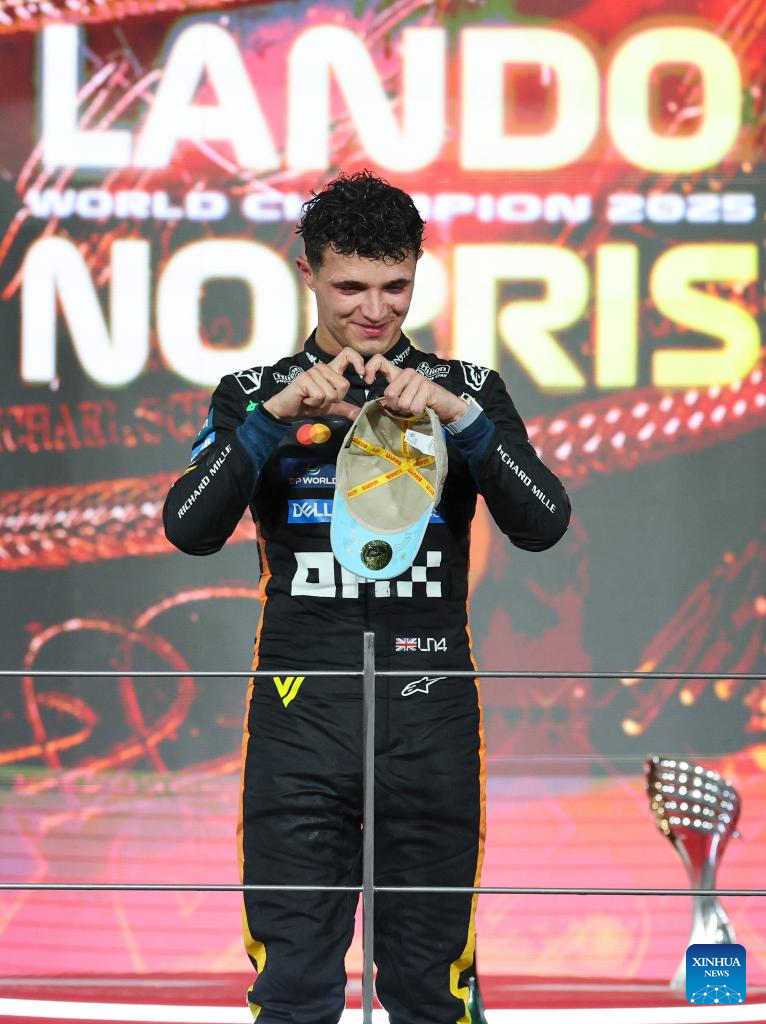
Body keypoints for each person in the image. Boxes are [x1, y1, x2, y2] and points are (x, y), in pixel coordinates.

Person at [163, 170, 571, 1024]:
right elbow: (189, 527)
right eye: (351, 286)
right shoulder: (253, 393)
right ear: (307, 272)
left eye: (396, 286)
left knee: (431, 986)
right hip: (299, 711)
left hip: (431, 709)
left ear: (417, 274)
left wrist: (465, 424)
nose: (375, 311)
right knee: (292, 987)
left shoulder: (468, 388)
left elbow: (543, 524)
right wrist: (270, 421)